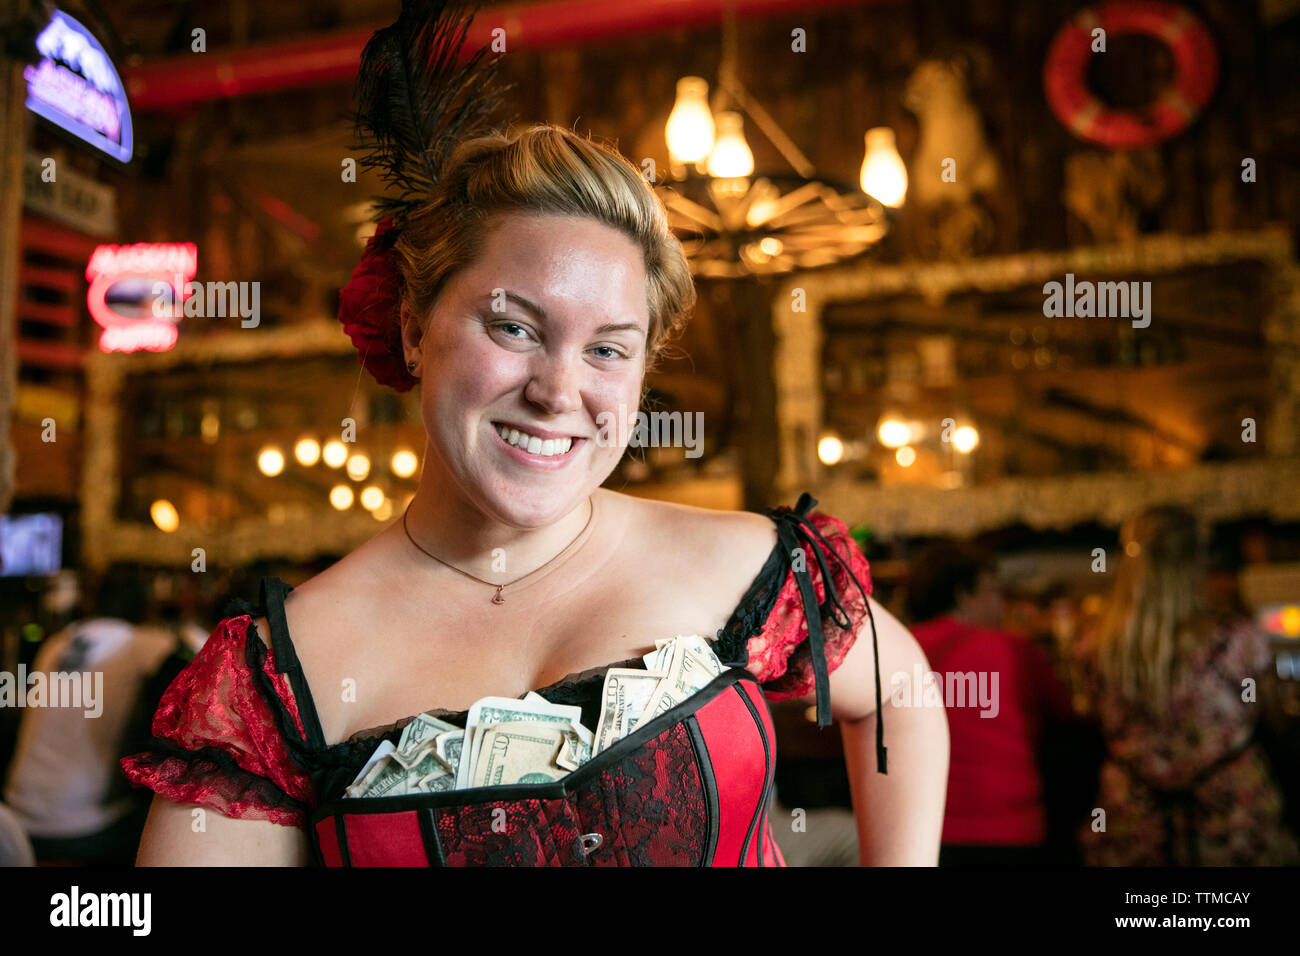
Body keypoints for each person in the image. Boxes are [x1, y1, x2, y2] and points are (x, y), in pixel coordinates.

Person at [119, 0, 947, 867]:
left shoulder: (740, 567)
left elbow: (901, 690)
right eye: (513, 327)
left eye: (607, 349)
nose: (559, 392)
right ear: (412, 325)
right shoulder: (279, 685)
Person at [1071, 506, 1300, 866]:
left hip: (1132, 821)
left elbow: (1092, 722)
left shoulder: (1095, 646)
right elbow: (1276, 721)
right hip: (1232, 822)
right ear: (1197, 561)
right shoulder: (1241, 641)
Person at [905, 541, 1076, 866]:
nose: (1001, 605)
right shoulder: (1014, 650)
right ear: (963, 595)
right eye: (994, 592)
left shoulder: (896, 647)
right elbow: (1066, 714)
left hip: (922, 835)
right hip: (1011, 832)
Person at [3, 566, 176, 865]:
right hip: (81, 829)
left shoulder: (56, 642)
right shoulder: (143, 643)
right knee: (168, 811)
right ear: (147, 606)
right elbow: (208, 653)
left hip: (15, 813)